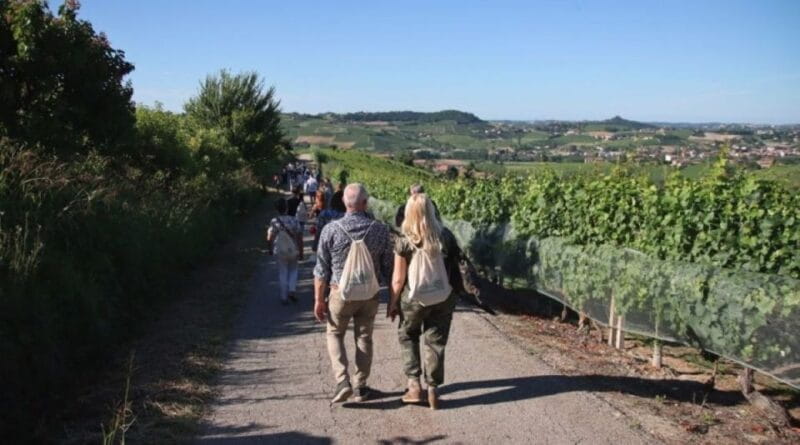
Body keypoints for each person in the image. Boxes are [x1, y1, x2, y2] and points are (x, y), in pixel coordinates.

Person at [313, 184, 393, 404]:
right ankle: (360, 386)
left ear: (346, 203)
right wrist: (393, 299)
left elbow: (321, 269)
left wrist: (319, 299)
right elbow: (389, 268)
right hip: (369, 294)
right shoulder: (380, 229)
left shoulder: (331, 229)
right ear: (365, 204)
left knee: (335, 333)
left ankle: (342, 381)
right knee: (364, 337)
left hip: (340, 293)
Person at [388, 193, 462, 410]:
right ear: (431, 210)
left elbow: (398, 278)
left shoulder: (404, 239)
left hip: (413, 299)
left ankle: (413, 386)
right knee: (436, 341)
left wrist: (393, 303)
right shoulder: (445, 236)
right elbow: (453, 268)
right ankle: (433, 389)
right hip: (442, 296)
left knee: (408, 335)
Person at [267, 199, 304, 304]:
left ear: (277, 209)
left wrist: (270, 248)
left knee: (282, 272)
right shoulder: (294, 220)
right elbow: (300, 237)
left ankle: (283, 297)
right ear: (287, 208)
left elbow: (270, 237)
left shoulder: (274, 221)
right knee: (293, 270)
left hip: (280, 250)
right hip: (293, 249)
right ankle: (292, 290)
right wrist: (301, 251)